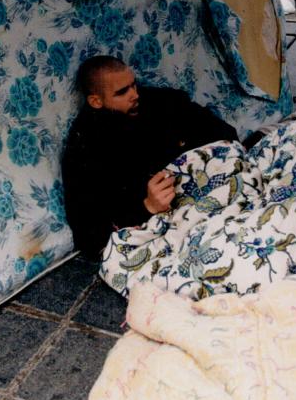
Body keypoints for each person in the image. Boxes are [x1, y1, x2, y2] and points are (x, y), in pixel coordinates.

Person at [61, 56, 239, 259]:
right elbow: (90, 233)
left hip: (214, 189)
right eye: (122, 92)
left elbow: (223, 133)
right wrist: (147, 207)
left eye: (133, 85)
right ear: (96, 101)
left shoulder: (158, 102)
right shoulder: (85, 149)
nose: (134, 95)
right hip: (165, 224)